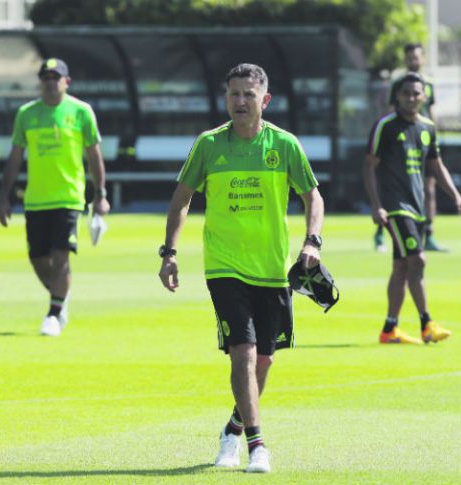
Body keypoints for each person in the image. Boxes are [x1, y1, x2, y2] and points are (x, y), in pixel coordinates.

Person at [158, 63, 324, 473]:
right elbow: (181, 199)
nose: (240, 101)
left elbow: (313, 197)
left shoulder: (284, 145)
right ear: (226, 98)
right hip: (224, 268)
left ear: (264, 100)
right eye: (234, 94)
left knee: (263, 361)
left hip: (272, 269)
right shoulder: (209, 145)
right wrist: (169, 253)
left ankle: (232, 428)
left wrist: (312, 241)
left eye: (249, 94)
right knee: (243, 354)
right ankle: (257, 444)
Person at [0, 58, 110, 337]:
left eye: (55, 77)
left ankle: (54, 313)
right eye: (45, 77)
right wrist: (3, 196)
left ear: (66, 82)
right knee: (38, 260)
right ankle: (61, 297)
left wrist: (100, 195)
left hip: (69, 198)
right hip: (35, 200)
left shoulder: (81, 112)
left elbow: (94, 155)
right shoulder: (26, 114)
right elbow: (14, 157)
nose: (50, 82)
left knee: (61, 259)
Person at [362, 72, 461, 345]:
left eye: (416, 93)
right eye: (406, 93)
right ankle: (427, 324)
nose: (411, 98)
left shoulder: (427, 127)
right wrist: (377, 206)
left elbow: (435, 165)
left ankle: (390, 329)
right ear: (397, 96)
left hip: (417, 206)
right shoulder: (385, 126)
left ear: (424, 96)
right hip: (395, 207)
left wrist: (456, 196)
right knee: (418, 259)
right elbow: (369, 166)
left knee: (401, 267)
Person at [374, 42, 446, 252]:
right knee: (392, 186)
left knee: (429, 187)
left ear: (422, 59)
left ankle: (429, 233)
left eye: (416, 57)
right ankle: (380, 232)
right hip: (400, 143)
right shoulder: (399, 84)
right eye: (409, 58)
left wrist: (434, 138)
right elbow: (389, 111)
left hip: (422, 141)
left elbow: (431, 112)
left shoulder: (429, 84)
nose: (413, 61)